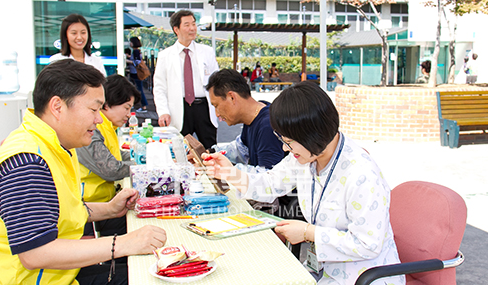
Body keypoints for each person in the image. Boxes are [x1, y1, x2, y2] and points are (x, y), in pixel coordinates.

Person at [0, 59, 166, 284]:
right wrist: (125, 243)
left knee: (151, 270)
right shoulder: (27, 161)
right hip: (20, 280)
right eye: (93, 109)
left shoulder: (52, 145)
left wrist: (108, 209)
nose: (99, 119)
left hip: (56, 276)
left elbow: (60, 211)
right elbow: (35, 252)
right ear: (57, 107)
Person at [203, 81, 404, 285]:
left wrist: (309, 233)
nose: (284, 149)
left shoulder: (361, 174)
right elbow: (271, 183)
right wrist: (230, 173)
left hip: (365, 277)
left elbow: (367, 244)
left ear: (312, 134)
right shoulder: (307, 156)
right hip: (325, 271)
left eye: (289, 142)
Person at [205, 68, 286, 213]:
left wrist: (228, 171)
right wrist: (211, 153)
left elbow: (267, 179)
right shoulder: (256, 114)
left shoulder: (268, 126)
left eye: (216, 106)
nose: (217, 114)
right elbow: (240, 149)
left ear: (231, 97)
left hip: (277, 210)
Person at [76, 74, 141, 237]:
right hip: (88, 206)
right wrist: (146, 168)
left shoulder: (108, 127)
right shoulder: (92, 129)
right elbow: (110, 169)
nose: (129, 114)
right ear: (107, 104)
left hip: (103, 200)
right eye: (126, 108)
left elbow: (117, 155)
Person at [153, 10, 219, 149]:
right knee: (179, 151)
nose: (192, 28)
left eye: (194, 24)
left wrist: (219, 107)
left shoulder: (207, 52)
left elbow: (216, 82)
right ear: (176, 29)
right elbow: (159, 87)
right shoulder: (165, 56)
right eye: (187, 25)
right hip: (179, 108)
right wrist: (163, 111)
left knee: (210, 149)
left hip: (204, 108)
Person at [127, 37, 149, 112]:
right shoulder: (136, 51)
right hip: (134, 73)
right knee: (135, 89)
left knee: (139, 90)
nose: (129, 43)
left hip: (136, 73)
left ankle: (143, 106)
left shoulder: (136, 51)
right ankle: (138, 105)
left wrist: (128, 61)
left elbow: (137, 62)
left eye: (130, 42)